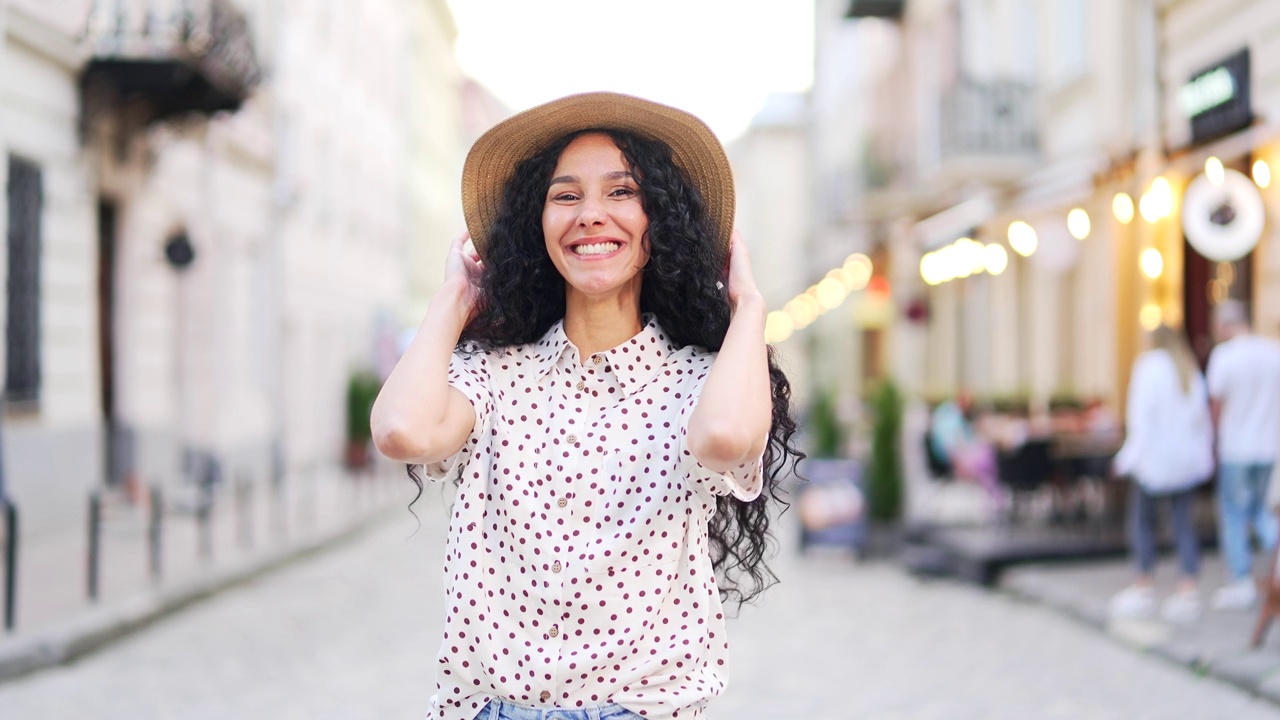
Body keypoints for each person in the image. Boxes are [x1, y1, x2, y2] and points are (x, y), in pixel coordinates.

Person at [370, 92, 802, 720]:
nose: (591, 216)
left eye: (622, 193)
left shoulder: (696, 383)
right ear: (535, 226)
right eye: (566, 196)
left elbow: (728, 438)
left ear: (662, 222)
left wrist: (749, 304)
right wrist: (456, 297)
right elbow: (402, 431)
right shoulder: (493, 377)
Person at [1109, 325, 1215, 623]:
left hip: (1155, 461)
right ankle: (1187, 586)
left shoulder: (1149, 367)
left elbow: (1140, 418)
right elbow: (1200, 419)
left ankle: (1144, 583)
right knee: (1183, 522)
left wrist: (1127, 457)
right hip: (1184, 461)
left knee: (1142, 521)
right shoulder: (1187, 368)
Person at [1206, 299, 1280, 610]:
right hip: (1268, 445)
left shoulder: (1224, 356)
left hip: (1236, 446)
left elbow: (1216, 405)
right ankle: (1275, 556)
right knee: (1261, 509)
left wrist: (1213, 440)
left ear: (1225, 325)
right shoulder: (1272, 352)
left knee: (1235, 512)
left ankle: (1241, 579)